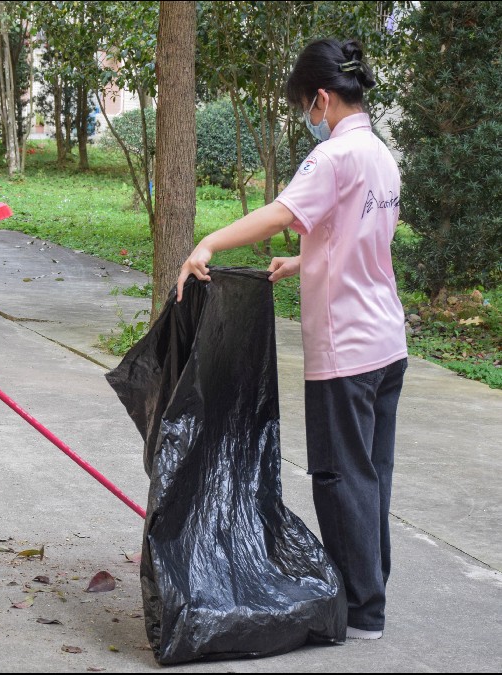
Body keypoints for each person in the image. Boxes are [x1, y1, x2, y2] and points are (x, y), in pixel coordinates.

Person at [176, 39, 407, 641]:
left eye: (307, 106)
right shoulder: (381, 154)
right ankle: (370, 589)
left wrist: (211, 242)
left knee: (340, 475)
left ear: (323, 98)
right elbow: (358, 236)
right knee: (372, 471)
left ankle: (362, 609)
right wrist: (302, 262)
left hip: (347, 347)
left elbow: (282, 210)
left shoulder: (333, 157)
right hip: (387, 340)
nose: (309, 118)